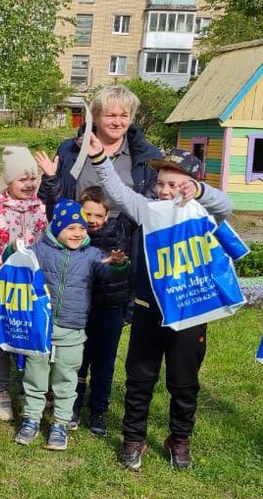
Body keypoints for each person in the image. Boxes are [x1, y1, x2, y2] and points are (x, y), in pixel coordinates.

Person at [87, 138, 233, 471]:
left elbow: (225, 205)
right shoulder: (148, 210)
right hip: (147, 309)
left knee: (183, 382)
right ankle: (133, 439)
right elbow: (120, 193)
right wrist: (99, 158)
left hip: (189, 312)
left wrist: (198, 191)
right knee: (140, 378)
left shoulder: (202, 210)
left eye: (174, 184)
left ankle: (179, 440)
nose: (165, 190)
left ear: (192, 184)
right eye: (161, 183)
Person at [14, 199, 128, 451]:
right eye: (71, 228)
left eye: (82, 229)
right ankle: (32, 418)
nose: (78, 233)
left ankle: (60, 424)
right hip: (40, 329)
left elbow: (109, 274)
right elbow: (18, 265)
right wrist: (16, 249)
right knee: (35, 376)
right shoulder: (40, 250)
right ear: (56, 229)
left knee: (67, 378)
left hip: (73, 329)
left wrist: (118, 265)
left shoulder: (92, 255)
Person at [0, 147, 48, 422]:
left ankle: (27, 389)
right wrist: (6, 262)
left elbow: (45, 243)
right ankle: (1, 392)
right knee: (0, 339)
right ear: (9, 181)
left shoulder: (40, 208)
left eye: (33, 178)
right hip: (3, 286)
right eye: (23, 179)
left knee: (27, 334)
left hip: (31, 288)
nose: (29, 184)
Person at [35, 85, 162, 217]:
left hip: (125, 235)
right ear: (95, 117)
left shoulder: (148, 157)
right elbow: (47, 200)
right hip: (78, 233)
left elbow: (155, 206)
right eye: (111, 115)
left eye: (124, 116)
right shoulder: (69, 150)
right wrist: (50, 179)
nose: (117, 122)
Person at [72, 186, 130, 436]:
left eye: (98, 215)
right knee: (77, 362)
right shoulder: (74, 237)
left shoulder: (120, 233)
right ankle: (72, 406)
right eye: (88, 215)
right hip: (81, 310)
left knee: (104, 364)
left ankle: (98, 411)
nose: (93, 220)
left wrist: (128, 310)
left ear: (108, 215)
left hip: (111, 309)